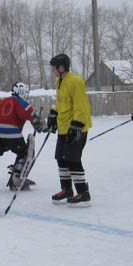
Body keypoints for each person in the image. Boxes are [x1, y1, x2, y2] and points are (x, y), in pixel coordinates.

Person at [47, 53, 93, 207]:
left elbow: (81, 105)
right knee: (61, 158)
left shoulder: (76, 81)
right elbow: (62, 103)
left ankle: (83, 193)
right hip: (63, 127)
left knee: (73, 160)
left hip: (76, 128)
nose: (52, 70)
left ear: (61, 67)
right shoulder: (60, 81)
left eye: (54, 68)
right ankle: (66, 189)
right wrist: (54, 114)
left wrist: (77, 125)